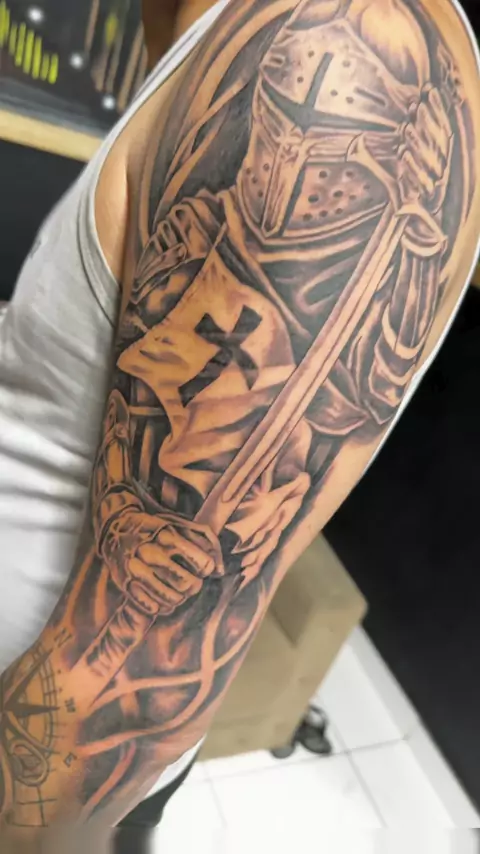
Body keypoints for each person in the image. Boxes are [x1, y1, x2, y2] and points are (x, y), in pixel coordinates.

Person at [0, 0, 478, 852]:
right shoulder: (234, 38)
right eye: (280, 127)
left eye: (318, 150)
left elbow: (98, 705)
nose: (288, 167)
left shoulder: (335, 34)